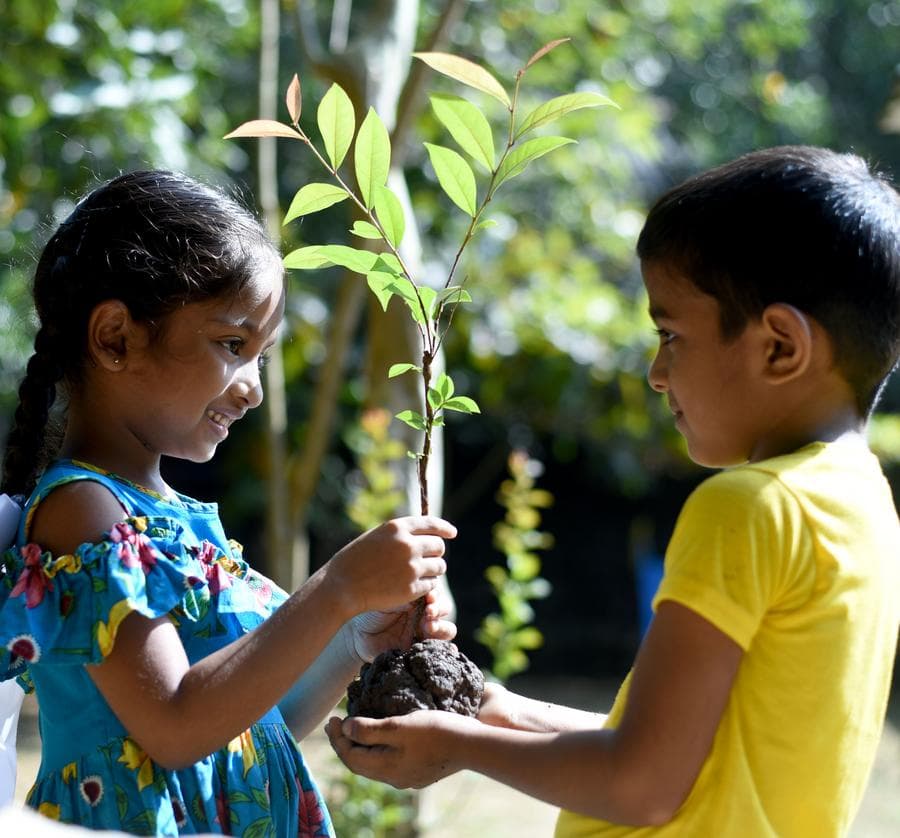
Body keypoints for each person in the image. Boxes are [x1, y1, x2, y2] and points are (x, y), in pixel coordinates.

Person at [326, 145, 900, 836]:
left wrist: (453, 747)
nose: (658, 373)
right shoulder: (863, 505)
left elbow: (639, 785)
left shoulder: (751, 506)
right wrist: (490, 709)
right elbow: (671, 750)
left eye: (671, 334)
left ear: (779, 346)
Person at [0, 170, 457, 835]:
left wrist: (357, 637)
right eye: (232, 346)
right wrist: (333, 588)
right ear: (116, 338)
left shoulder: (179, 521)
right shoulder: (84, 512)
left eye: (261, 357)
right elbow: (178, 725)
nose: (253, 390)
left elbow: (253, 717)